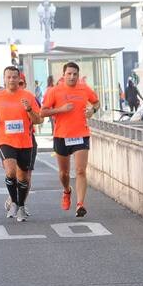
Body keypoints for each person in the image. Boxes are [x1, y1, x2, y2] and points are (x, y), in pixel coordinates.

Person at [39, 61, 100, 218]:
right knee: (64, 173)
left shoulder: (84, 88)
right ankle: (67, 191)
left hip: (81, 134)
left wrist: (92, 110)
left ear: (78, 76)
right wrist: (60, 109)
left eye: (75, 74)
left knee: (80, 170)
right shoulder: (54, 91)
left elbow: (96, 102)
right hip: (61, 136)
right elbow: (42, 112)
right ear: (63, 75)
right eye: (69, 74)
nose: (72, 77)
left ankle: (80, 204)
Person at [0, 65, 42, 222]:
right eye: (8, 77)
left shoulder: (28, 96)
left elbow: (38, 119)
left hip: (25, 142)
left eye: (14, 77)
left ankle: (21, 206)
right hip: (5, 140)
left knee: (23, 178)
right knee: (10, 171)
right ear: (4, 79)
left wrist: (29, 109)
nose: (11, 79)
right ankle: (14, 204)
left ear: (19, 79)